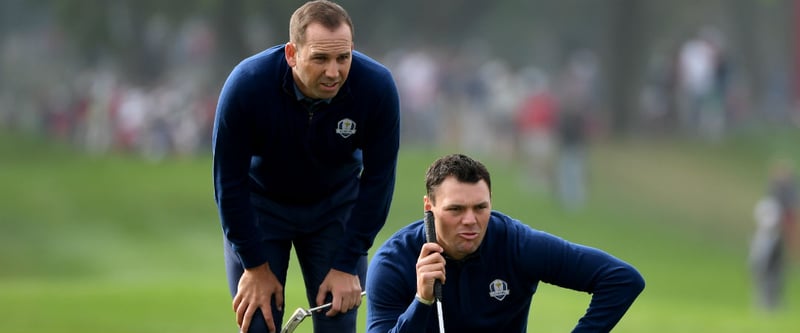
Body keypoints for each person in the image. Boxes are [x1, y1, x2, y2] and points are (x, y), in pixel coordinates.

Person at [212, 1, 400, 332]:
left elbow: (379, 181)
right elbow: (229, 182)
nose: (334, 72)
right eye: (320, 58)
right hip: (262, 210)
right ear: (291, 54)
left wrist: (347, 263)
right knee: (259, 323)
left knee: (338, 323)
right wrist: (254, 266)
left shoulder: (377, 88)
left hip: (334, 212)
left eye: (343, 58)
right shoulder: (247, 85)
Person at [366, 154, 644, 333]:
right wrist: (422, 300)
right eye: (456, 210)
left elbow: (621, 280)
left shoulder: (517, 244)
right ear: (429, 206)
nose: (471, 221)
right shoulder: (393, 261)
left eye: (480, 207)